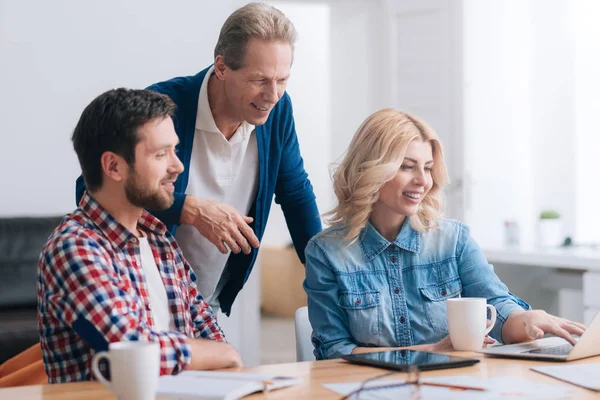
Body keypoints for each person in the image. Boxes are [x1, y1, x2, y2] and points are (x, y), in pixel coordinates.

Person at [74, 2, 321, 316]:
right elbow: (90, 190)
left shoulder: (277, 110)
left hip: (204, 300)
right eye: (259, 80)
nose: (273, 95)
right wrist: (187, 209)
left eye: (282, 80)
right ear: (221, 67)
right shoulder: (162, 109)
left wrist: (325, 271)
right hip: (140, 297)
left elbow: (296, 193)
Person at [304, 109, 586, 360]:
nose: (423, 181)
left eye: (427, 168)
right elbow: (334, 351)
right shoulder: (327, 252)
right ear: (373, 169)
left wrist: (524, 320)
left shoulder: (454, 240)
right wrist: (429, 351)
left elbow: (496, 308)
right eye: (407, 166)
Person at [39, 88, 242, 383]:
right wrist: (221, 355)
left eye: (174, 150)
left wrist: (223, 357)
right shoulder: (73, 248)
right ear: (113, 166)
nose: (178, 166)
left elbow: (210, 336)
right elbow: (130, 349)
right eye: (161, 154)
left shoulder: (160, 239)